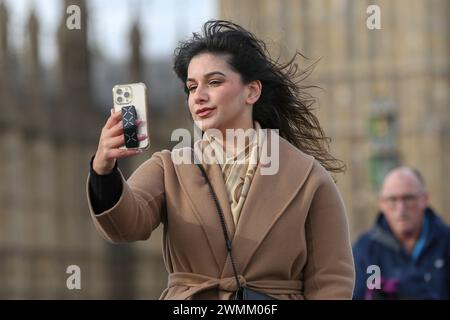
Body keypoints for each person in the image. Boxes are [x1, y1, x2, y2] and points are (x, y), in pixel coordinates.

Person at [86, 20, 355, 300]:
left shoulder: (309, 177)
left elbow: (330, 280)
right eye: (191, 87)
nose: (199, 97)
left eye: (214, 82)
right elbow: (126, 225)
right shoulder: (169, 168)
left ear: (252, 91)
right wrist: (103, 169)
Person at [353, 166, 450, 299]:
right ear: (381, 203)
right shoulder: (364, 251)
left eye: (408, 198)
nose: (401, 209)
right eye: (392, 200)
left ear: (424, 199)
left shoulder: (446, 242)